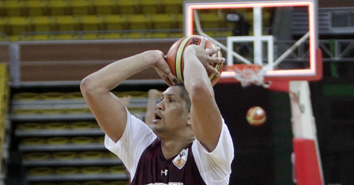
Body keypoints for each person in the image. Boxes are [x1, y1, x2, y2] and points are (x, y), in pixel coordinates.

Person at [80, 38, 234, 185]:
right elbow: (92, 87)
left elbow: (199, 90)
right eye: (162, 99)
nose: (159, 106)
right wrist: (151, 57)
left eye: (171, 100)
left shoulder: (209, 156)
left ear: (190, 116)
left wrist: (189, 53)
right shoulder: (140, 146)